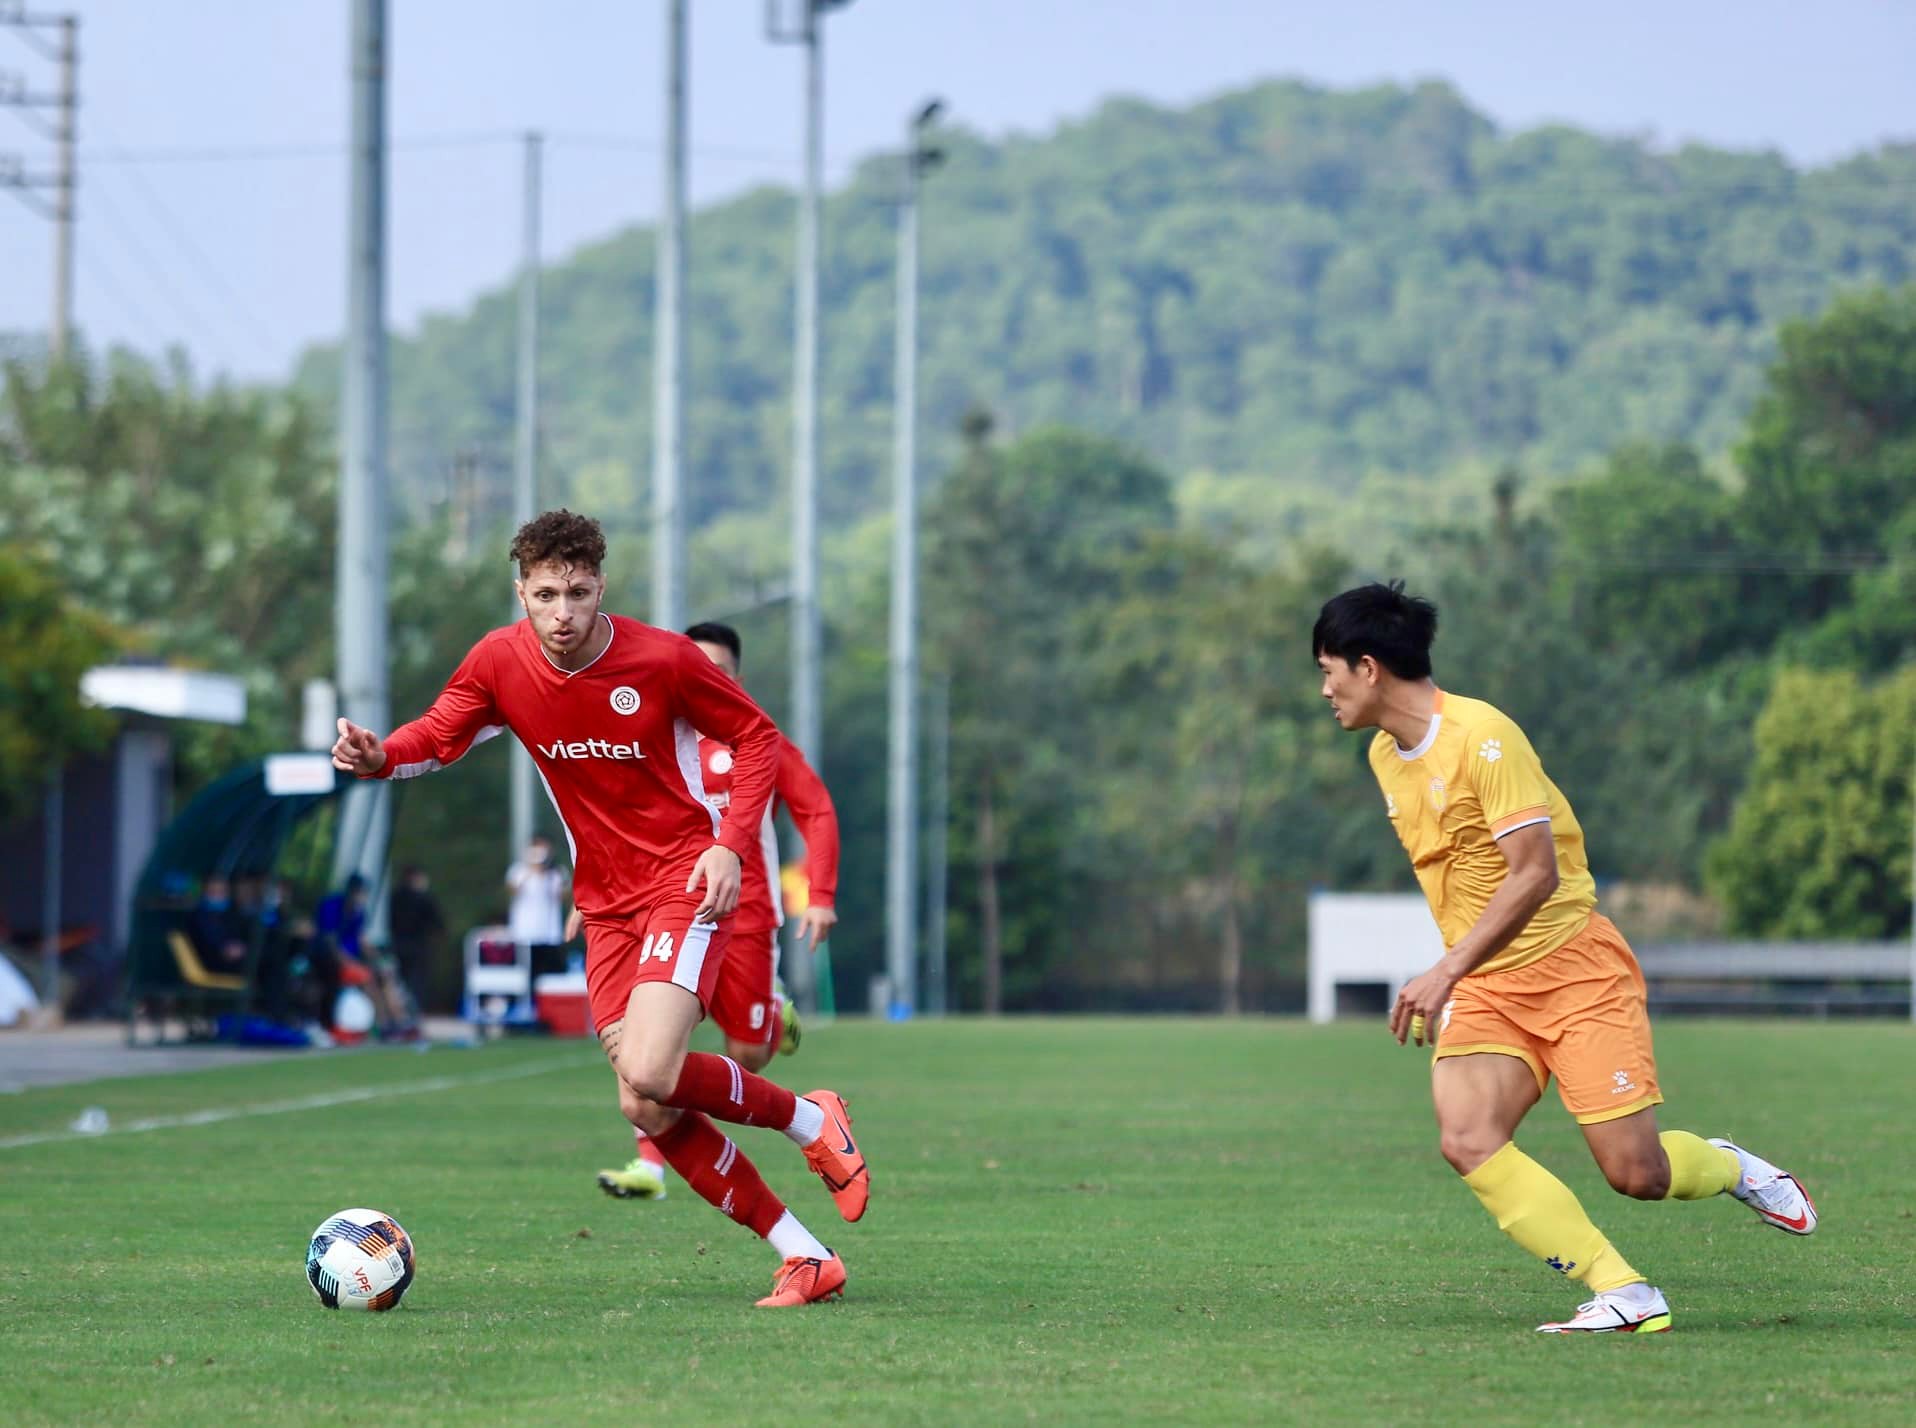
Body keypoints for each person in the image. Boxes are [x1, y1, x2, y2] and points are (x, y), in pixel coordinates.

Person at [330, 508, 868, 1307]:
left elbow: (757, 740)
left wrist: (728, 841)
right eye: (544, 594)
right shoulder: (499, 662)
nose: (561, 613)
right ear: (521, 591)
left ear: (601, 586)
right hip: (605, 905)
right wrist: (380, 757)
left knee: (653, 1068)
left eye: (578, 593)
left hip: (683, 884)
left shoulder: (664, 659)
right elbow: (439, 737)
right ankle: (804, 1255)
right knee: (643, 1102)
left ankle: (810, 1124)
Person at [1313, 580, 1818, 1335]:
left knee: (1636, 1174)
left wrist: (1444, 969)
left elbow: (1535, 872)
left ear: (1368, 666)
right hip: (1489, 985)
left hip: (1574, 969)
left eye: (1327, 671)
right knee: (1467, 1137)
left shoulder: (1486, 739)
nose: (1324, 690)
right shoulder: (1387, 756)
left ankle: (1733, 1168)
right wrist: (1463, 969)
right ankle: (1623, 1290)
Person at [598, 619, 840, 1202]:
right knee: (652, 1049)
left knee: (748, 1054)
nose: (705, 678)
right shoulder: (654, 738)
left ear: (736, 678)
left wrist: (822, 896)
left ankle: (772, 1016)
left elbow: (817, 811)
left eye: (718, 670)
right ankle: (650, 1167)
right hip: (673, 910)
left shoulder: (759, 742)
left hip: (749, 915)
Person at [505, 835, 568, 980]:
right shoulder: (519, 870)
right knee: (527, 972)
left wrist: (545, 872)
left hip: (550, 932)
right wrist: (531, 870)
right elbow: (512, 890)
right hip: (525, 932)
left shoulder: (556, 872)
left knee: (551, 972)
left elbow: (562, 897)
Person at [388, 866, 446, 1014]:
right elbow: (437, 923)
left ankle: (403, 1013)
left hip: (399, 945)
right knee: (416, 983)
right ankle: (413, 1013)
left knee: (401, 982)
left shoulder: (395, 897)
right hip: (418, 947)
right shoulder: (424, 899)